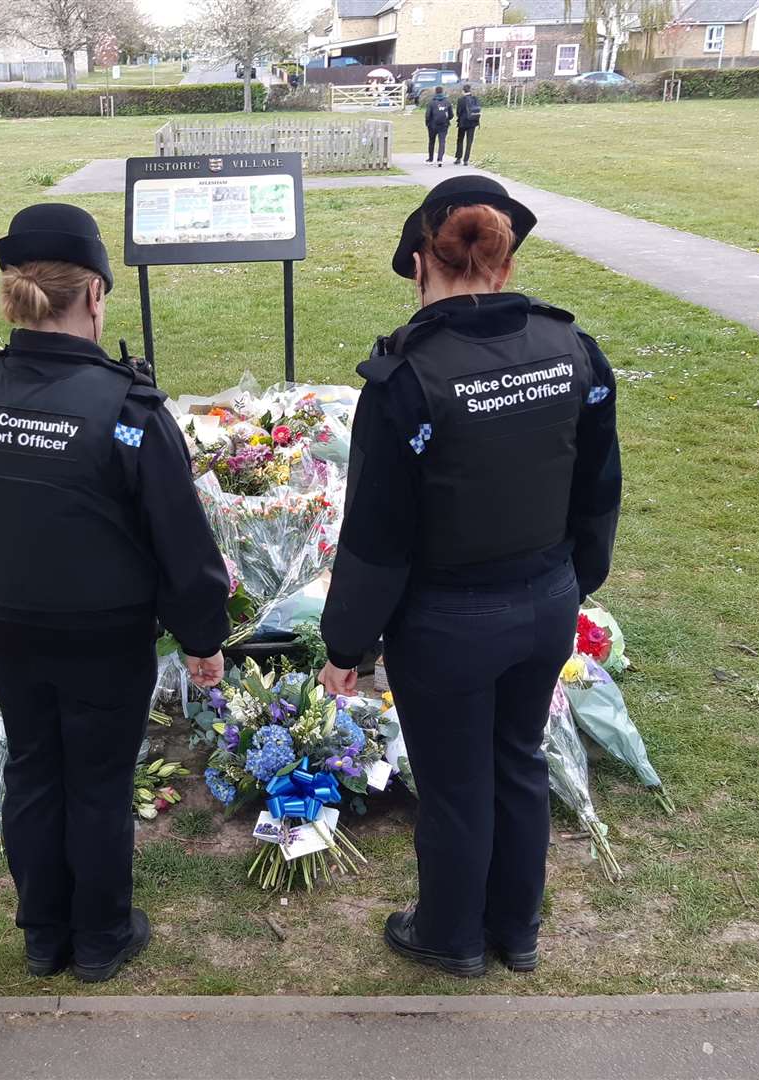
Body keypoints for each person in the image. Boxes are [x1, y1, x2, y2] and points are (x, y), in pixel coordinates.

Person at [0, 204, 231, 983]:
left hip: (6, 621)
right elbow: (181, 546)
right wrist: (202, 638)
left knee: (33, 767)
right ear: (94, 294)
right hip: (104, 632)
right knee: (94, 778)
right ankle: (99, 938)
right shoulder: (128, 412)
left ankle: (44, 934)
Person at [317, 176, 621, 978]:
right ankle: (514, 930)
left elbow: (376, 537)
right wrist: (573, 584)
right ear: (504, 257)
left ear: (422, 261)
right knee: (517, 763)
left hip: (446, 621)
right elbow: (598, 490)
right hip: (546, 597)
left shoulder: (406, 377)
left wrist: (344, 643)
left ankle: (450, 935)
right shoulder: (573, 350)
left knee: (456, 784)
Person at [424, 86, 454, 167]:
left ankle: (430, 159)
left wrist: (427, 123)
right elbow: (451, 115)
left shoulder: (431, 102)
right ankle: (440, 159)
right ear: (442, 92)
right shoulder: (447, 102)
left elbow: (427, 115)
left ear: (435, 92)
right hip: (444, 125)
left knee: (431, 141)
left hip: (432, 125)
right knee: (442, 142)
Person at [454, 83, 481, 166]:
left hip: (463, 122)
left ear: (463, 91)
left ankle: (458, 158)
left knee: (460, 140)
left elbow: (458, 112)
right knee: (469, 141)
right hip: (473, 122)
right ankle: (466, 159)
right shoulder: (475, 99)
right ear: (470, 90)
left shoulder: (461, 100)